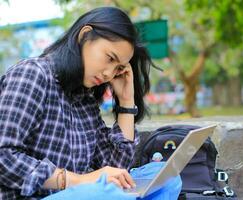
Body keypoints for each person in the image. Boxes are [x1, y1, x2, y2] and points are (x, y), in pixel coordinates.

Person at [0, 6, 157, 199]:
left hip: (84, 194)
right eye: (109, 58)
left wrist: (125, 101)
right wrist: (79, 181)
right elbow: (3, 155)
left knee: (161, 175)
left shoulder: (85, 98)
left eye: (117, 68)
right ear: (84, 35)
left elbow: (115, 170)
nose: (109, 74)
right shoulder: (33, 74)